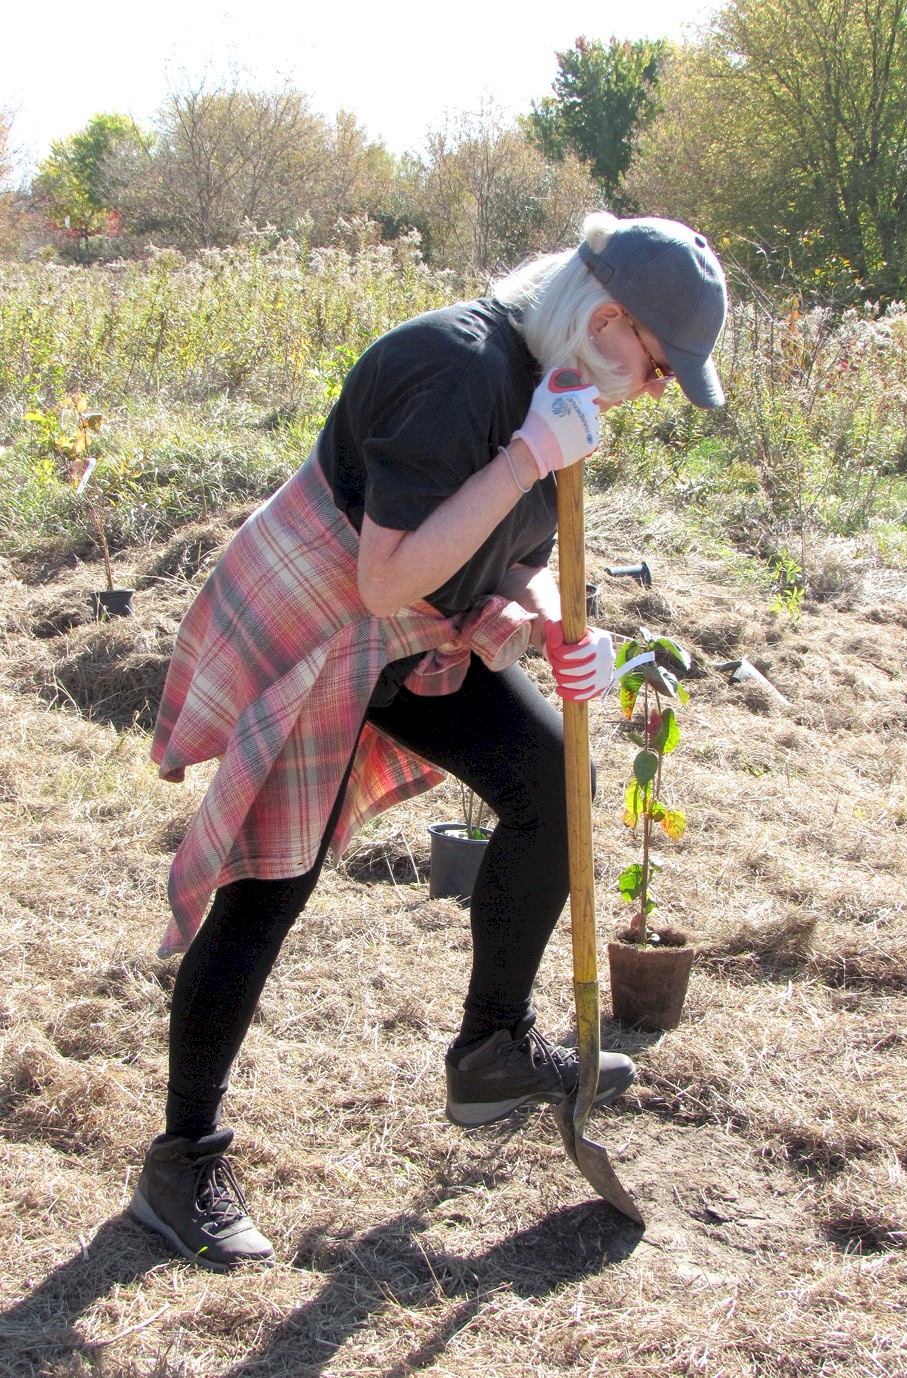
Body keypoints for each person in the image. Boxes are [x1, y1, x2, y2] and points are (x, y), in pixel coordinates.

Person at [129, 211, 728, 1271]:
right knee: (273, 880)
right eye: (656, 367)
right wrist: (524, 460)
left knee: (549, 771)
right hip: (324, 623)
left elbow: (501, 552)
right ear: (604, 319)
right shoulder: (458, 367)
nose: (652, 393)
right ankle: (181, 1162)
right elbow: (385, 573)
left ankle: (491, 1048)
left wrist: (541, 614)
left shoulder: (561, 391)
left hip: (404, 633)